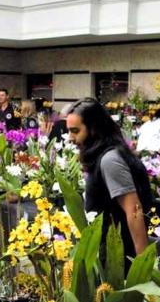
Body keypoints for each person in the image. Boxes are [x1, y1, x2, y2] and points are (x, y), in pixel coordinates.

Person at [66, 98, 154, 259]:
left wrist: (143, 264)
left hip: (119, 260)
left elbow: (134, 210)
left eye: (75, 131)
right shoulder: (106, 156)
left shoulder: (110, 160)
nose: (70, 138)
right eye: (69, 131)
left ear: (93, 129)